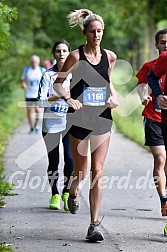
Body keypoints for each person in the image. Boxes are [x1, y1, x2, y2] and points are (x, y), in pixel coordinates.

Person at [53, 9, 118, 242]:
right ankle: (72, 191)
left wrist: (115, 97)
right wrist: (68, 98)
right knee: (80, 171)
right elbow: (58, 84)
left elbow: (109, 84)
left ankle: (93, 224)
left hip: (102, 118)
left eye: (100, 31)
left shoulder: (110, 56)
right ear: (85, 33)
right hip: (79, 118)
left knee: (97, 171)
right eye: (92, 32)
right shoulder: (75, 57)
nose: (97, 35)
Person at [38, 40, 74, 211]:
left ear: (69, 53)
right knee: (54, 161)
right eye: (58, 51)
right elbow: (40, 102)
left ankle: (67, 192)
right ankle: (55, 194)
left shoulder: (74, 74)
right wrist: (59, 96)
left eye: (65, 51)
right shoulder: (47, 75)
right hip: (50, 124)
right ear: (53, 54)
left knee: (70, 158)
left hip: (69, 122)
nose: (61, 54)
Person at [136, 29, 167, 217]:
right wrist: (144, 96)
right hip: (153, 118)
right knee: (160, 158)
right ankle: (163, 199)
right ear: (156, 45)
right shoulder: (150, 66)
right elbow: (141, 84)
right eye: (162, 42)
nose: (166, 45)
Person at [21, 55, 46, 133]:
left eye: (35, 62)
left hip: (38, 94)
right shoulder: (26, 70)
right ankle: (31, 127)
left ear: (38, 62)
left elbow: (46, 81)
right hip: (29, 94)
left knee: (38, 110)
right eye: (33, 62)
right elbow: (23, 81)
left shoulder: (42, 70)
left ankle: (37, 125)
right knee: (29, 111)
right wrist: (24, 85)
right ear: (31, 62)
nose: (34, 63)